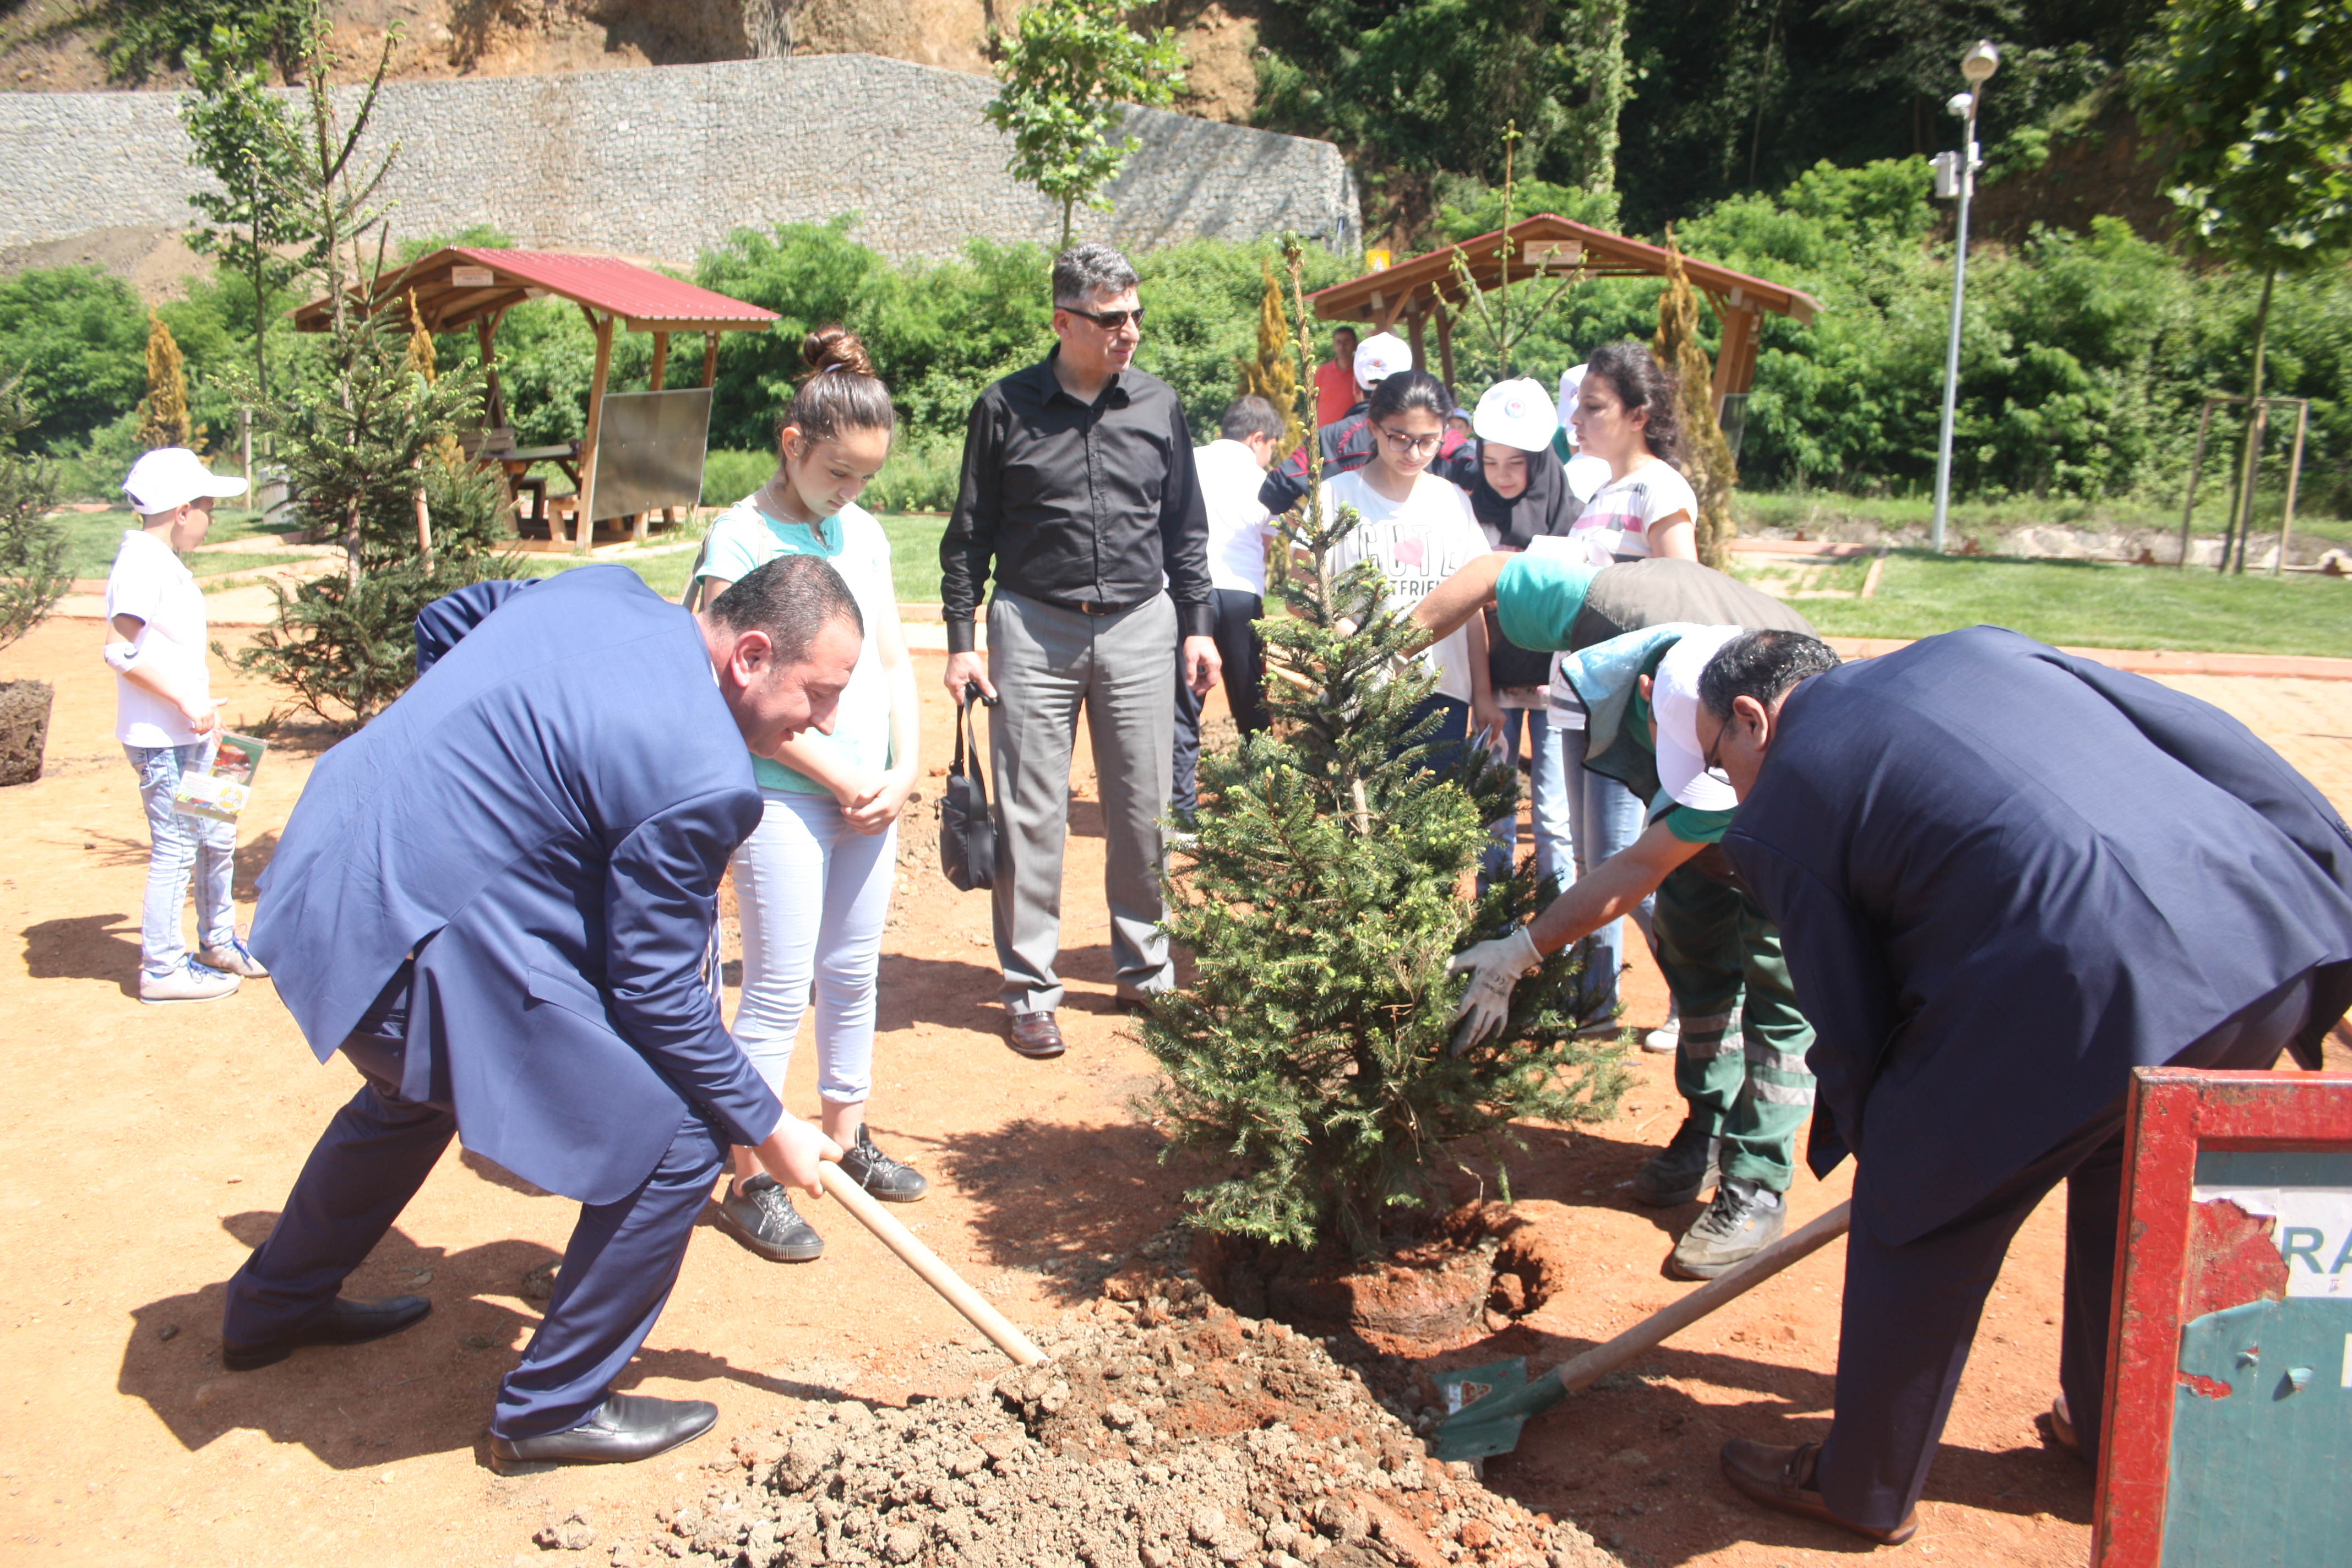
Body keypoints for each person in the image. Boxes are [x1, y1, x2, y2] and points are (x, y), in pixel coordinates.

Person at [1692, 625, 2352, 1545]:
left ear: (1752, 718)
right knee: (2131, 1179)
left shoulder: (1780, 807)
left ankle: (1861, 1486)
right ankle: (2108, 1425)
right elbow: (2206, 735)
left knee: (1915, 1201)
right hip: (2259, 935)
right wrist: (2328, 870)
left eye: (1718, 758)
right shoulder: (1980, 648)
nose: (1727, 786)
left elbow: (1848, 1016)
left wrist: (1878, 1143)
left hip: (2087, 987)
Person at [224, 556, 856, 1471]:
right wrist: (766, 1124)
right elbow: (659, 997)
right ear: (751, 653)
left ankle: (273, 1304)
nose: (825, 723)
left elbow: (445, 623)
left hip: (333, 862)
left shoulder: (600, 591)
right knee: (680, 1139)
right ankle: (551, 1405)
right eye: (819, 693)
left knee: (416, 1089)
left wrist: (474, 791)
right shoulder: (706, 775)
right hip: (402, 939)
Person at [1413, 548, 1816, 1276]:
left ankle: (1756, 1180)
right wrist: (1380, 650)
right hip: (1703, 790)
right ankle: (1707, 1128)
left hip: (1792, 813)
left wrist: (1519, 953)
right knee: (1695, 963)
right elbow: (1491, 573)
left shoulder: (1774, 714)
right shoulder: (1606, 607)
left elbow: (1634, 868)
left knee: (1777, 986)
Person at [939, 242, 1222, 1061]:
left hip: (1141, 623)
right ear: (1064, 321)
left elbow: (1185, 528)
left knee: (1144, 809)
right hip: (1033, 626)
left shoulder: (1160, 405)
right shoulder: (1003, 407)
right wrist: (963, 643)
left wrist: (1197, 624)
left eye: (1136, 315)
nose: (1129, 331)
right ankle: (1031, 990)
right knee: (1033, 815)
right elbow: (969, 536)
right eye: (1110, 319)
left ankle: (1146, 972)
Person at [688, 326, 927, 1267]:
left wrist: (905, 767)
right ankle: (748, 1171)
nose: (850, 494)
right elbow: (723, 681)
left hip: (870, 790)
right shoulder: (740, 535)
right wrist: (840, 775)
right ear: (792, 444)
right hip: (785, 790)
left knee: (854, 968)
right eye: (837, 473)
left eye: (865, 478)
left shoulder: (860, 533)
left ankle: (847, 1133)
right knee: (780, 984)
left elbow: (897, 658)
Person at [1557, 341, 1701, 1049]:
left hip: (1627, 710)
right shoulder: (1599, 493)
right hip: (1577, 701)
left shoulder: (1660, 488)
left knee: (1623, 867)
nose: (1577, 419)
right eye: (1578, 404)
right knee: (1594, 865)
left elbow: (1686, 596)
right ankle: (1595, 1005)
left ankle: (1697, 994)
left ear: (1639, 414)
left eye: (1594, 406)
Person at [102, 447, 268, 1004]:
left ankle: (218, 940)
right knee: (176, 846)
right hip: (162, 739)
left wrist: (204, 711)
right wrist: (184, 701)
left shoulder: (160, 560)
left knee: (218, 830)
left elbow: (165, 649)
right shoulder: (142, 563)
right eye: (205, 506)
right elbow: (120, 651)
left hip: (193, 729)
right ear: (179, 511)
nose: (210, 517)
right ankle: (163, 970)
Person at [1320, 368, 1492, 776]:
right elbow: (1308, 587)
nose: (1413, 453)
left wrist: (1482, 692)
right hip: (1362, 687)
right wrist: (1363, 650)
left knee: (1431, 821)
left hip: (1443, 691)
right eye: (1400, 437)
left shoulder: (1452, 500)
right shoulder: (1336, 495)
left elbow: (1473, 602)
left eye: (1428, 441)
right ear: (1374, 428)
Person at [1462, 378, 1580, 899]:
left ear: (1539, 459)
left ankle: (1559, 932)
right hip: (1493, 687)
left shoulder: (1574, 518)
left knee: (1555, 817)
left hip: (1557, 689)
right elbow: (1468, 602)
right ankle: (1496, 918)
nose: (1503, 475)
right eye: (1492, 463)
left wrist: (1502, 593)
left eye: (1516, 463)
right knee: (1495, 811)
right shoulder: (1471, 514)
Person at [1172, 395, 1282, 821]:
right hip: (1239, 594)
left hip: (1183, 592)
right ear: (1257, 438)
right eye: (1271, 444)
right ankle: (1264, 810)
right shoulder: (1263, 479)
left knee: (1183, 705)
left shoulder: (1188, 459)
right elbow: (1266, 544)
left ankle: (1180, 816)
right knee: (1251, 701)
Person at [1259, 332, 1476, 517]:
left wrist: (1312, 532)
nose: (1413, 452)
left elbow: (1273, 491)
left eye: (1427, 442)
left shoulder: (1326, 438)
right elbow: (1476, 471)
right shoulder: (1437, 435)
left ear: (1355, 386)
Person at [1312, 325, 1360, 429]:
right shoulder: (1322, 371)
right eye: (1338, 342)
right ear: (1334, 345)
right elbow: (1311, 403)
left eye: (1347, 342)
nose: (1342, 346)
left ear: (1355, 345)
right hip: (1324, 435)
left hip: (1351, 434)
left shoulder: (1360, 371)